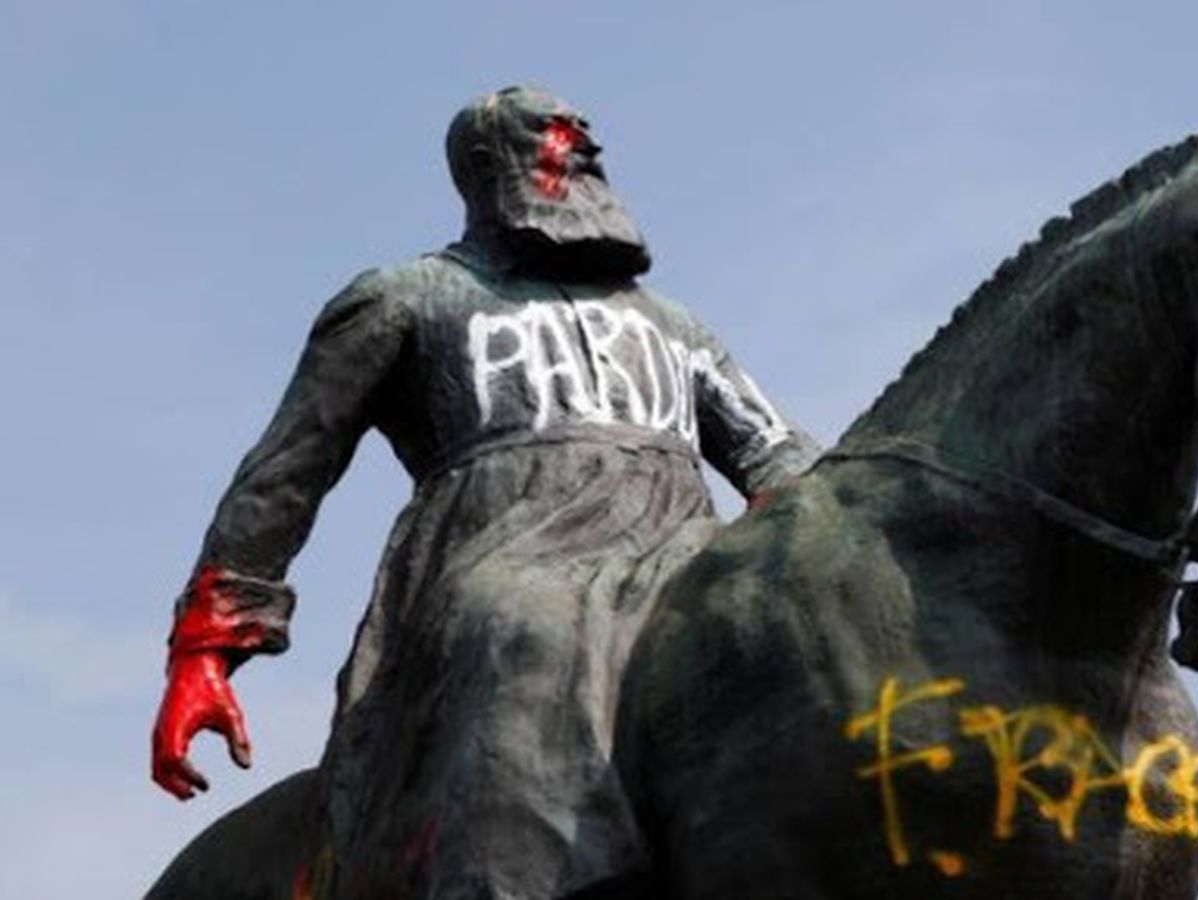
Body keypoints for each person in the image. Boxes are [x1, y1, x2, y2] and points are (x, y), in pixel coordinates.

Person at [148, 84, 819, 899]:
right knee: (523, 626)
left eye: (587, 135)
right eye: (555, 134)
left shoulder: (674, 326)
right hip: (510, 564)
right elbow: (289, 468)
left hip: (679, 556)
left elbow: (779, 459)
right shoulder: (402, 298)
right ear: (483, 163)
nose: (585, 149)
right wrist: (206, 651)